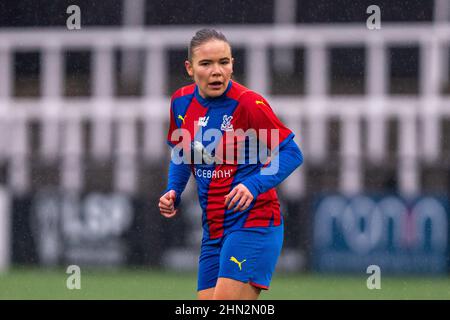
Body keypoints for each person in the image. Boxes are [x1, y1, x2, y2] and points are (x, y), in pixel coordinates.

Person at [158, 28, 303, 300]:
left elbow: (292, 152)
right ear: (190, 68)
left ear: (232, 64)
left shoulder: (249, 103)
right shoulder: (180, 102)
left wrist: (253, 184)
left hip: (254, 222)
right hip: (213, 230)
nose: (217, 71)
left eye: (224, 62)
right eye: (206, 63)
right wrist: (174, 191)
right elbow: (181, 151)